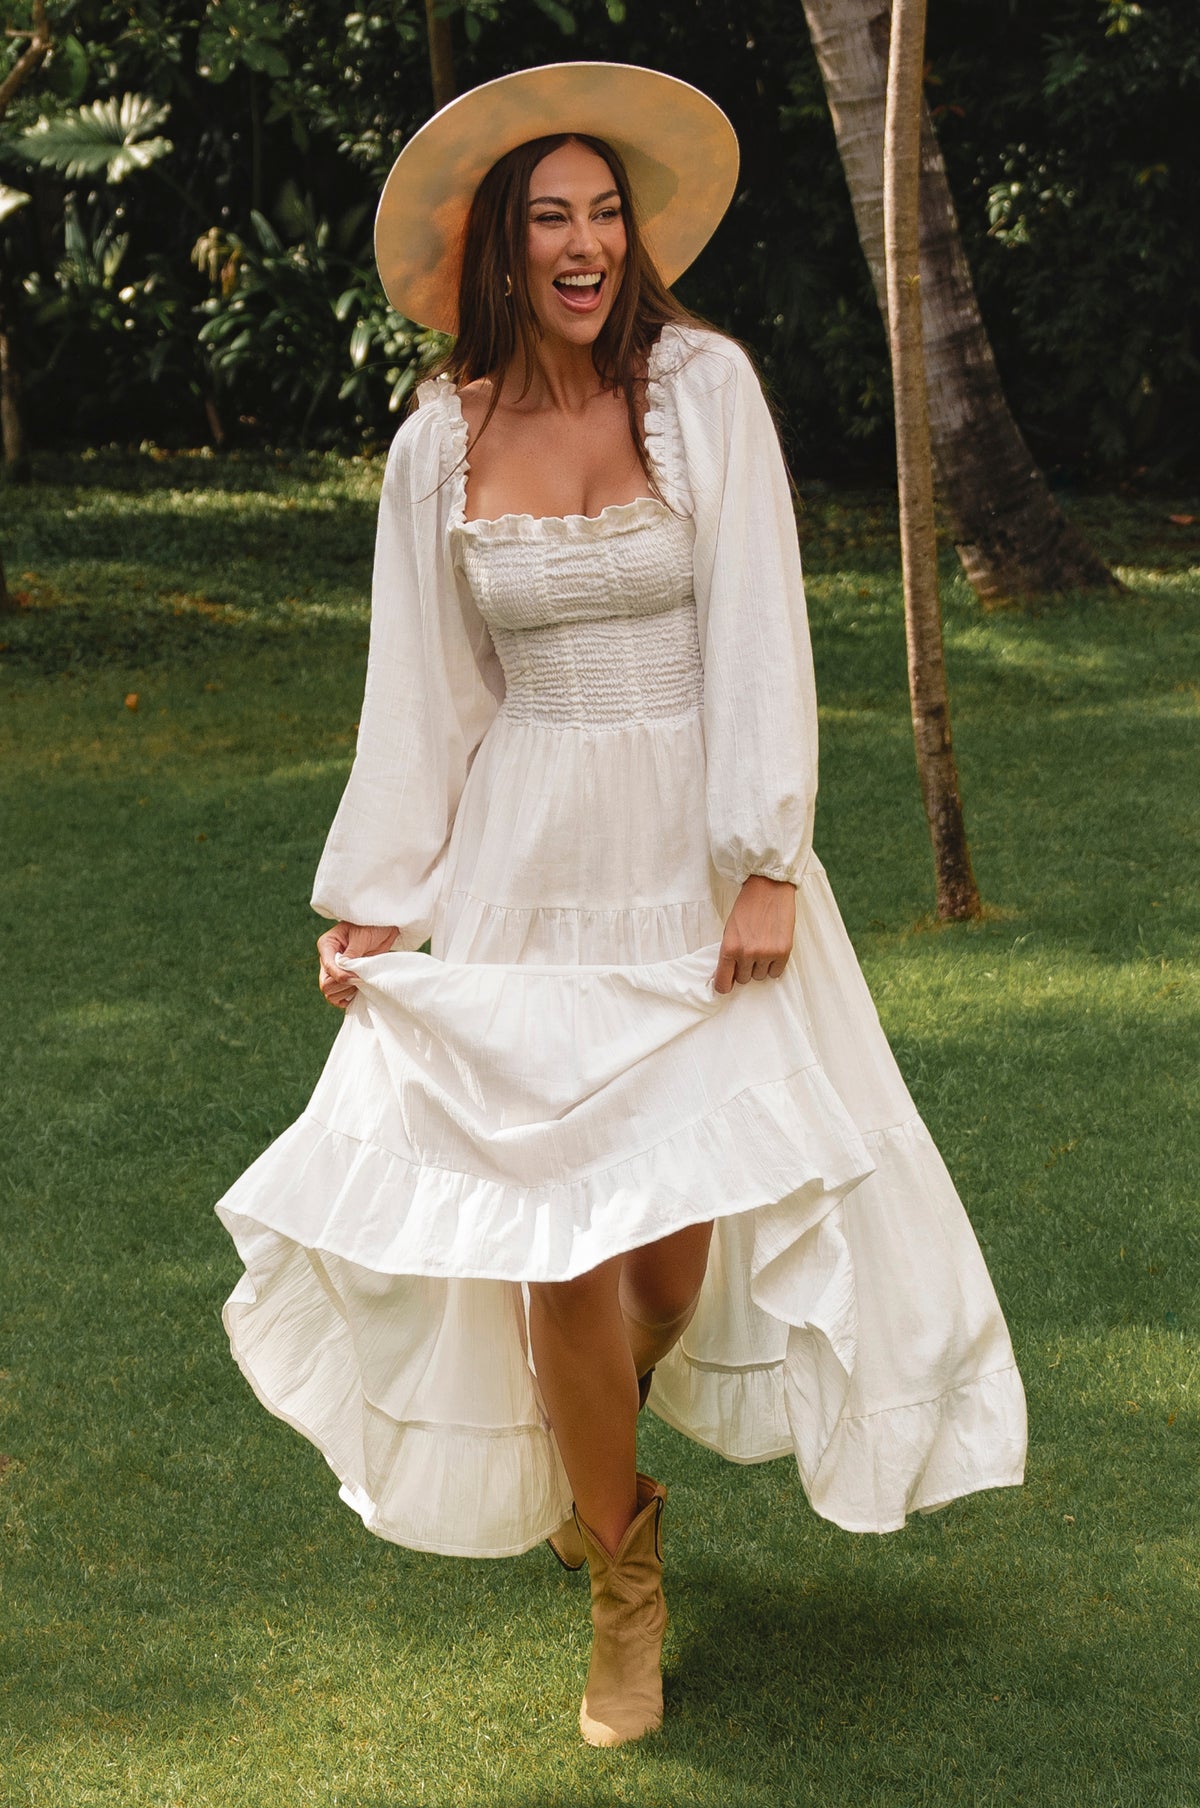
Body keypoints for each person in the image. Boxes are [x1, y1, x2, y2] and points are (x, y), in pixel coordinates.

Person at [214, 61, 1027, 1750]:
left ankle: (610, 1408)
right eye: (547, 219)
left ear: (629, 237)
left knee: (658, 1259)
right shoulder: (435, 443)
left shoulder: (704, 388)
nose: (583, 244)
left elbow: (756, 633)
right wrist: (375, 898)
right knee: (550, 1244)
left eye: (601, 214)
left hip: (686, 862)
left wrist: (767, 859)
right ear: (496, 253)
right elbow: (425, 694)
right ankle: (624, 1579)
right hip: (524, 872)